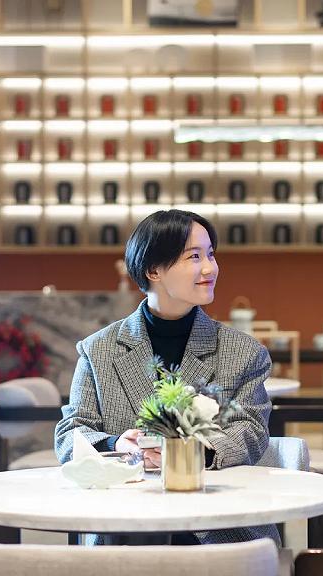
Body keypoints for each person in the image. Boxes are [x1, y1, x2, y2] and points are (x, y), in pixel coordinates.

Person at [54, 209, 277, 546]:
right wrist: (116, 446)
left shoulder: (244, 352)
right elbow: (70, 432)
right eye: (194, 256)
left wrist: (194, 451)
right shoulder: (98, 350)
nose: (209, 268)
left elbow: (252, 430)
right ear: (153, 270)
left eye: (211, 254)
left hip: (221, 528)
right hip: (125, 528)